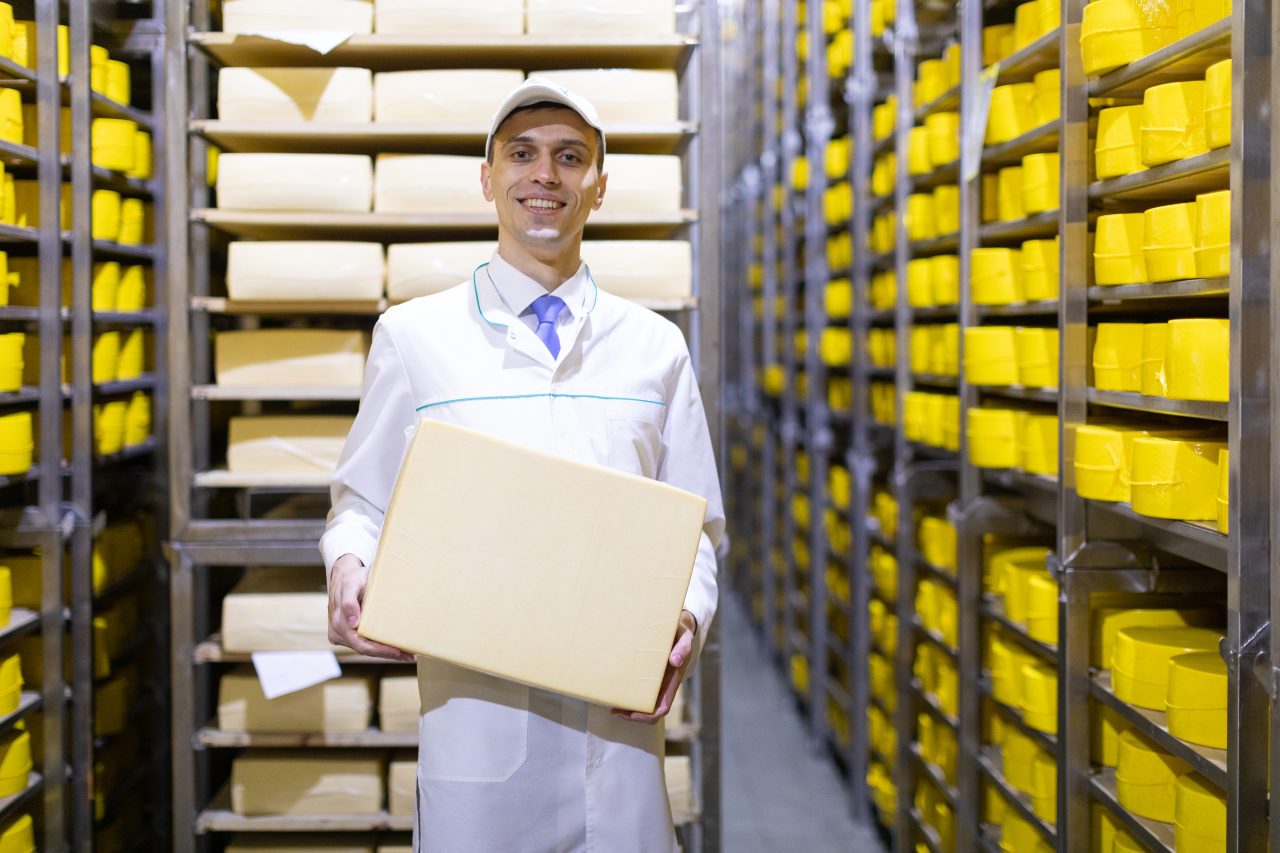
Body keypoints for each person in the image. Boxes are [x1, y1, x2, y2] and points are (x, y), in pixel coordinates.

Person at [321, 78, 726, 853]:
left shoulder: (654, 347)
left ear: (598, 187)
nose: (546, 174)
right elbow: (361, 504)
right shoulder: (414, 337)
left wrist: (684, 618)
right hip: (479, 733)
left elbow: (697, 527)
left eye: (570, 157)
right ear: (488, 178)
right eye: (522, 154)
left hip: (618, 735)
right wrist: (347, 564)